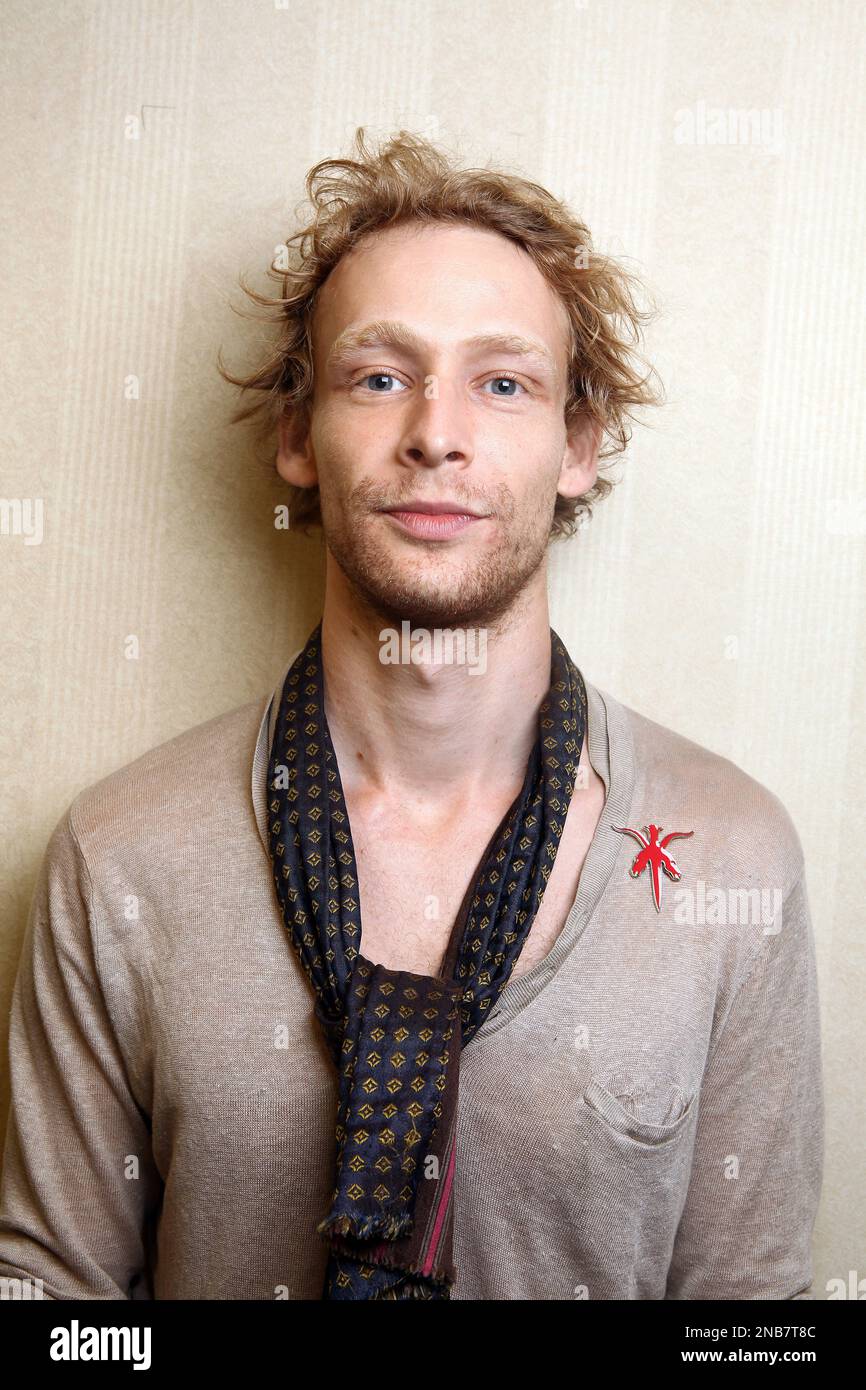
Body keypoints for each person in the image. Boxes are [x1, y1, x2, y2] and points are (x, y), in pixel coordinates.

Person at [0, 129, 823, 1300]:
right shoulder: (119, 855)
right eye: (378, 375)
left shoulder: (729, 856)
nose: (436, 432)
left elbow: (756, 1320)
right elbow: (54, 1305)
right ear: (297, 434)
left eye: (502, 382)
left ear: (575, 445)